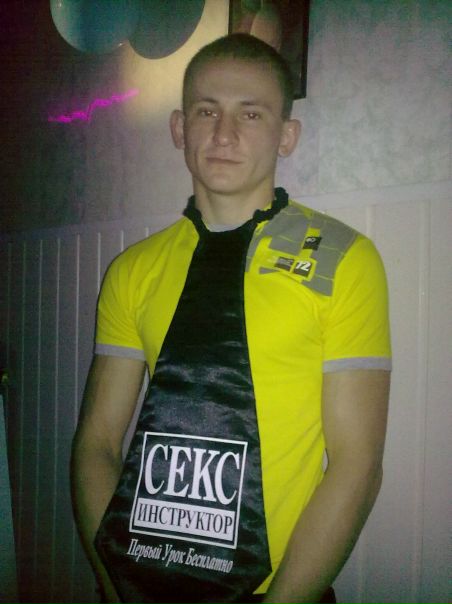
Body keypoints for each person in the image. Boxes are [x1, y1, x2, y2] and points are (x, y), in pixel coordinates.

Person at [71, 33, 391, 604]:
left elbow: (357, 464)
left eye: (251, 113)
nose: (223, 134)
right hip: (137, 583)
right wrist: (116, 591)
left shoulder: (344, 259)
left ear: (286, 135)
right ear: (179, 128)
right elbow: (96, 441)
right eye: (206, 111)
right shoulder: (131, 272)